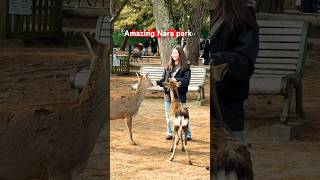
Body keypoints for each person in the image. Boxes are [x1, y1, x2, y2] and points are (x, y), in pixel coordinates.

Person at [209, 0, 259, 144]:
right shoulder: (216, 14)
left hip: (227, 105)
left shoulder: (243, 15)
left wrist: (216, 58)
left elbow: (244, 62)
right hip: (212, 104)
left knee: (233, 160)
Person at [152, 46, 192, 141]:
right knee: (169, 116)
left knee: (183, 115)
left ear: (180, 54)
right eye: (173, 53)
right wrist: (157, 82)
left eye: (176, 53)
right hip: (168, 95)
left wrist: (176, 79)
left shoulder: (185, 67)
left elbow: (186, 81)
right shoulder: (168, 66)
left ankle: (187, 134)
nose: (174, 55)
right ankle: (170, 133)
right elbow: (164, 79)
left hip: (180, 96)